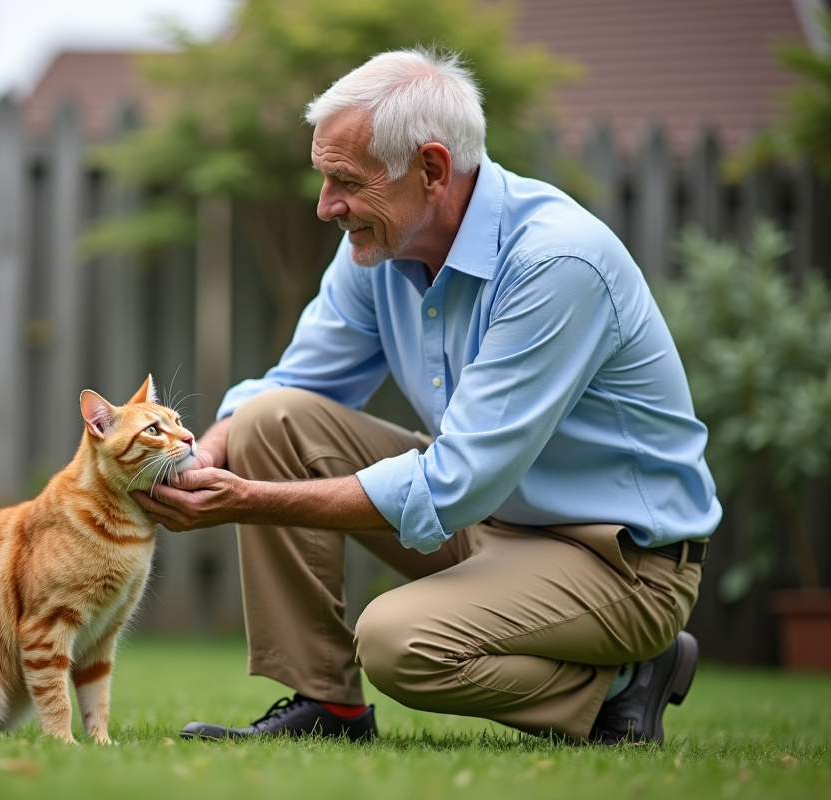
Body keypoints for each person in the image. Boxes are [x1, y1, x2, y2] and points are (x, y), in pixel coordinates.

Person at [131, 48, 720, 745]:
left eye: (344, 181)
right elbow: (294, 386)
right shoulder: (380, 247)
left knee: (395, 641)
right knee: (267, 421)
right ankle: (327, 707)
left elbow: (455, 482)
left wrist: (247, 502)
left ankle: (625, 684)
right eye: (323, 180)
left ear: (432, 170)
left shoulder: (556, 263)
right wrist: (214, 446)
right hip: (494, 518)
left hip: (620, 562)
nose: (325, 207)